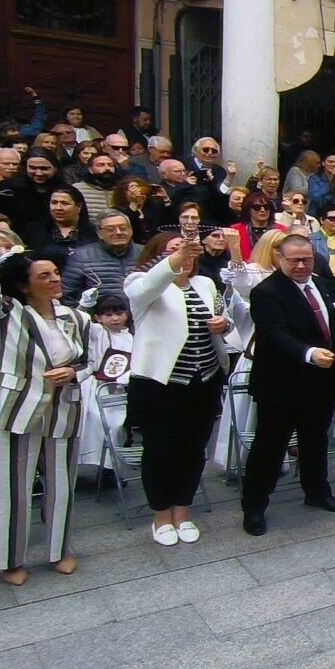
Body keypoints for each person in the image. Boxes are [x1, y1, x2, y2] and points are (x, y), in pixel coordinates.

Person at [0, 241, 91, 586]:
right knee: (13, 487)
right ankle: (11, 559)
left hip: (63, 407)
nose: (55, 279)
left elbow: (87, 362)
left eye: (55, 273)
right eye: (45, 276)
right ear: (25, 285)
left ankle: (60, 549)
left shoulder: (76, 317)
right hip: (15, 408)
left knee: (61, 484)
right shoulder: (8, 312)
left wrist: (74, 373)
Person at [240, 232, 335, 535]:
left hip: (322, 382)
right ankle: (254, 507)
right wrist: (310, 353)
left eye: (307, 259)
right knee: (270, 448)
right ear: (278, 258)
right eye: (294, 260)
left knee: (315, 441)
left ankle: (317, 491)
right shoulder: (267, 292)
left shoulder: (322, 285)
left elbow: (330, 327)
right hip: (282, 385)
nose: (301, 265)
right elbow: (275, 335)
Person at [125, 233, 229, 546]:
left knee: (194, 448)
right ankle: (161, 516)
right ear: (158, 256)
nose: (184, 256)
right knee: (160, 450)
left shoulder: (205, 284)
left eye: (188, 251)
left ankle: (183, 511)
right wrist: (175, 256)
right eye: (174, 250)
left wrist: (223, 325)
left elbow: (222, 321)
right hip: (161, 383)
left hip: (205, 378)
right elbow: (149, 286)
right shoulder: (140, 283)